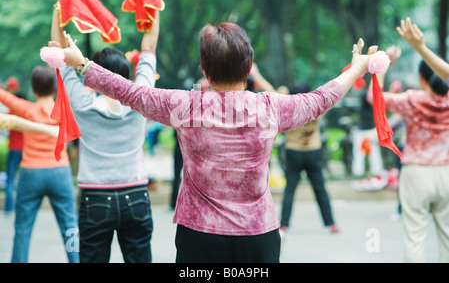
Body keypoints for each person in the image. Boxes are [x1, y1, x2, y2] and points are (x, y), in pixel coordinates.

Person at [57, 21, 377, 263]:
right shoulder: (269, 108)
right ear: (248, 66)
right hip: (259, 238)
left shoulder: (184, 106)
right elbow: (322, 98)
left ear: (204, 69)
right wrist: (358, 66)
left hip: (200, 240)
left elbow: (129, 92)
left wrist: (83, 65)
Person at [50, 7, 158, 263]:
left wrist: (58, 14)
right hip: (136, 195)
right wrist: (154, 7)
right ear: (127, 76)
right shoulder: (141, 97)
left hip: (95, 197)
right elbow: (150, 47)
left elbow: (59, 52)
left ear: (94, 76)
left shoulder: (83, 102)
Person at [367, 49, 449, 262]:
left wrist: (382, 66)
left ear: (421, 77)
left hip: (415, 173)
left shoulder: (412, 99)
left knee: (415, 236)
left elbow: (373, 98)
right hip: (445, 171)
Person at [0, 66, 79, 263]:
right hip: (60, 171)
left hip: (31, 173)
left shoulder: (26, 109)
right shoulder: (64, 108)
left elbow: (4, 97)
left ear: (34, 89)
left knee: (22, 229)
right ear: (54, 88)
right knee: (70, 226)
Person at [279, 81, 339, 237]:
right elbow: (334, 94)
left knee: (290, 189)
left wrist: (257, 75)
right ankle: (331, 223)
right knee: (320, 189)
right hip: (313, 152)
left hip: (294, 152)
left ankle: (283, 225)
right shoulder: (316, 108)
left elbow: (272, 92)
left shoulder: (286, 109)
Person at [3, 77, 26, 213]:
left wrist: (6, 87)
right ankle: (22, 208)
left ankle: (8, 208)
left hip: (13, 149)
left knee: (10, 179)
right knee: (23, 180)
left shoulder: (11, 113)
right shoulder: (26, 113)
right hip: (25, 150)